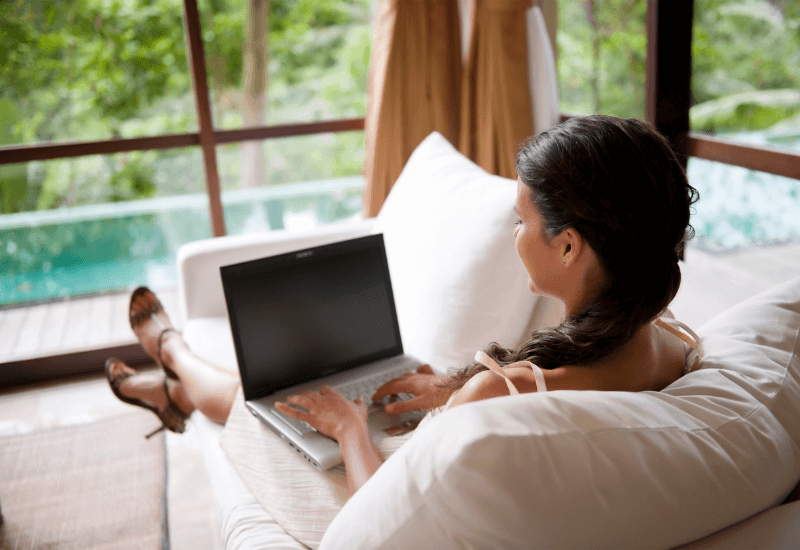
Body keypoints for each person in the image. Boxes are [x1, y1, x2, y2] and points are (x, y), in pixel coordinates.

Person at [106, 114, 701, 495]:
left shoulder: (500, 393)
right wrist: (448, 390)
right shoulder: (670, 342)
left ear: (569, 245)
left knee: (262, 401)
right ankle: (173, 382)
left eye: (522, 220)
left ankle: (174, 355)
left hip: (368, 496)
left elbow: (391, 527)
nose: (514, 234)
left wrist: (347, 430)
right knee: (297, 393)